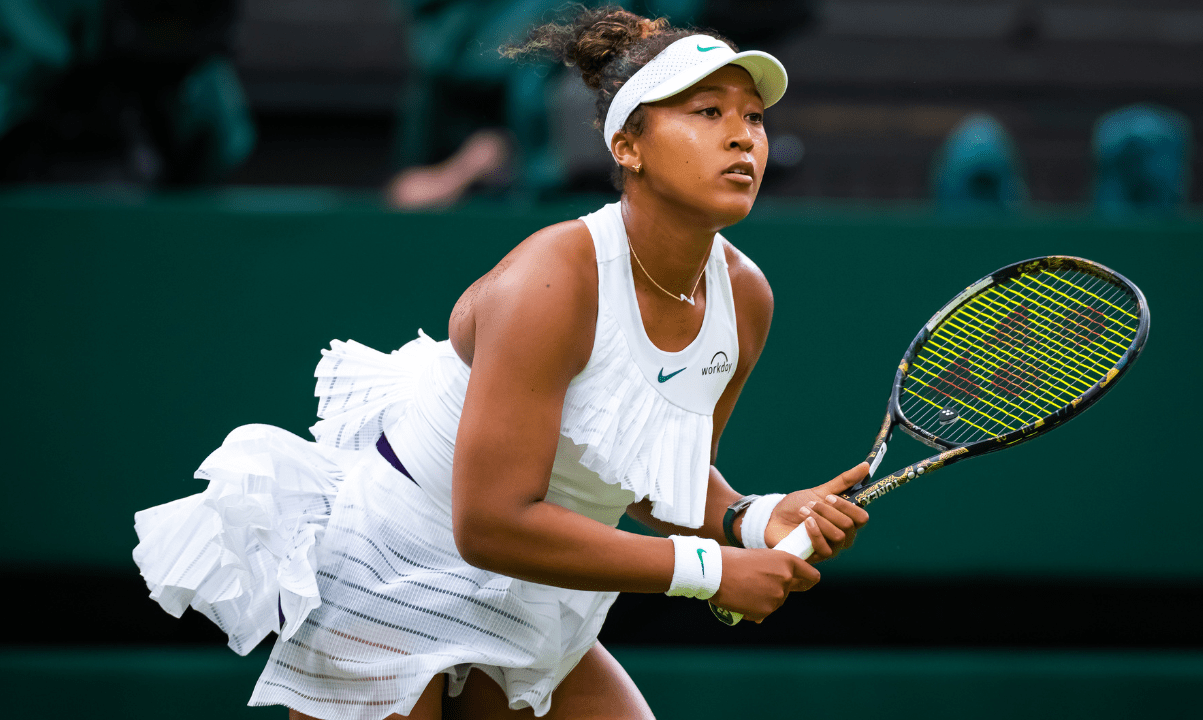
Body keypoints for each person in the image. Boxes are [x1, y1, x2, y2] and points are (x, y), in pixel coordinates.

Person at [133, 6, 870, 719]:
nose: (742, 138)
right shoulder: (551, 280)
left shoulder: (744, 299)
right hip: (398, 570)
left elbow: (651, 473)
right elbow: (486, 523)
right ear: (628, 147)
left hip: (534, 590)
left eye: (754, 117)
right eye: (708, 113)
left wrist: (751, 518)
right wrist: (709, 572)